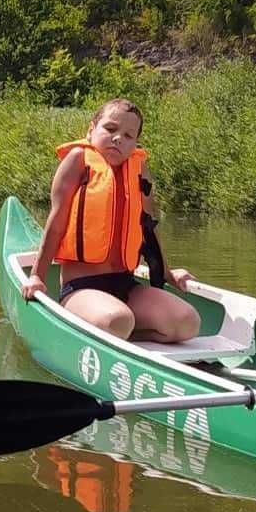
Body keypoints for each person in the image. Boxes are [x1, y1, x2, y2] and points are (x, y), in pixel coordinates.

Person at [22, 98, 200, 344]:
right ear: (91, 129)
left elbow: (148, 227)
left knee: (187, 322)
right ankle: (90, 324)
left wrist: (168, 273)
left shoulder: (139, 171)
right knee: (118, 319)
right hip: (81, 288)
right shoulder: (77, 161)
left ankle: (118, 335)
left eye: (128, 136)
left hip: (125, 286)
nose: (118, 139)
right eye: (110, 129)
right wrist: (37, 276)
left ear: (136, 142)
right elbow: (56, 222)